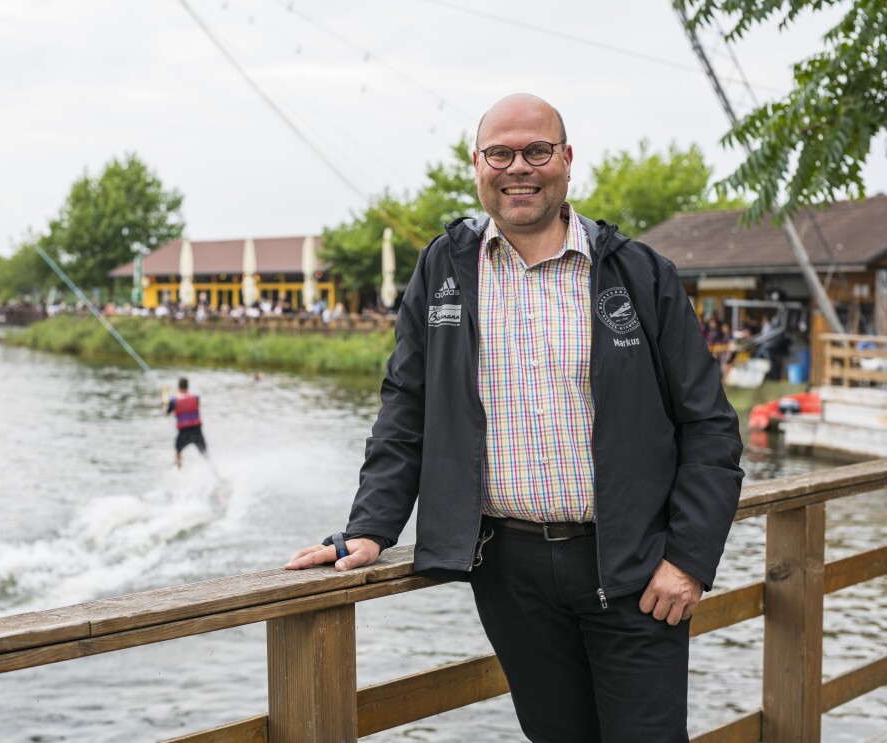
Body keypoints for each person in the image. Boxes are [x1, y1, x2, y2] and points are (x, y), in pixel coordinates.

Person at [285, 93, 743, 742]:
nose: (518, 167)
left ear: (567, 160)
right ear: (477, 164)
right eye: (500, 152)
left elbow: (711, 427)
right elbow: (406, 409)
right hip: (509, 571)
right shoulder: (444, 269)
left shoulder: (641, 274)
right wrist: (370, 529)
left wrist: (690, 559)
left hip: (637, 566)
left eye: (537, 151)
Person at [165, 377, 207, 468]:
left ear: (179, 386)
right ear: (188, 386)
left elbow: (167, 412)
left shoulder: (174, 400)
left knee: (177, 452)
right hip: (197, 430)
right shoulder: (196, 397)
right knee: (205, 454)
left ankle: (178, 472)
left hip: (183, 432)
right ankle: (216, 474)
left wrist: (165, 396)